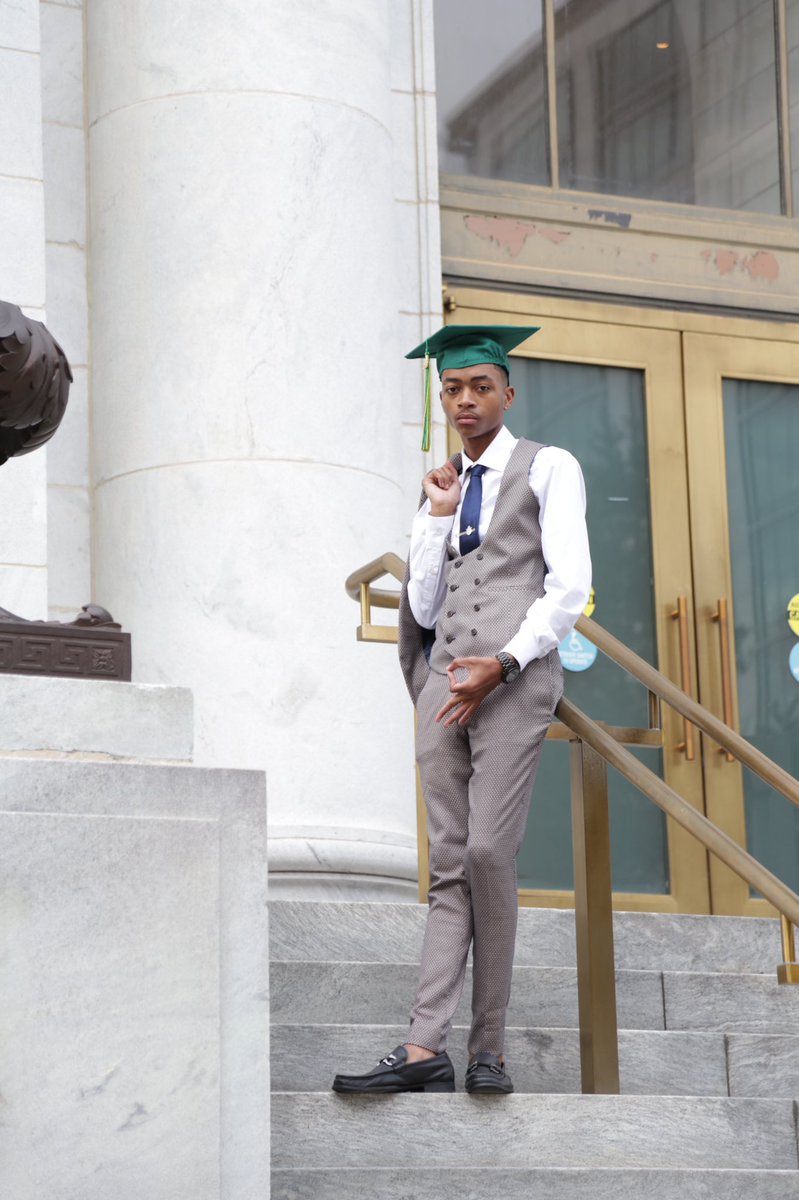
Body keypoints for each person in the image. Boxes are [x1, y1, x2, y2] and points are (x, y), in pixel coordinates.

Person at [332, 325, 591, 1095]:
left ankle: (489, 1048)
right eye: (451, 389)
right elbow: (421, 605)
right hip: (442, 688)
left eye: (479, 386)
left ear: (506, 392)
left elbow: (568, 588)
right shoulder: (440, 485)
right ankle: (424, 1048)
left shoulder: (548, 466)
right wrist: (436, 517)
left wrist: (506, 662)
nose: (465, 400)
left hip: (511, 683)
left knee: (485, 855)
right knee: (448, 868)